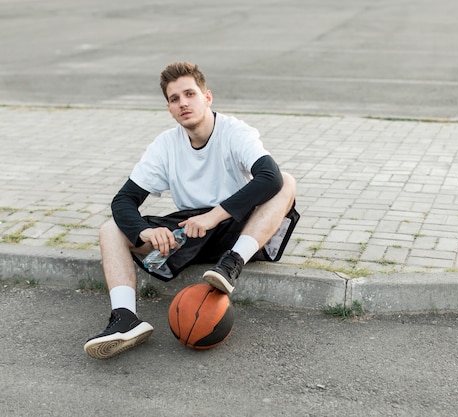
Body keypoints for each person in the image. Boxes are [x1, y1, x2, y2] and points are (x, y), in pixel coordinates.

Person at [84, 61, 299, 359]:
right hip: (189, 234)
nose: (183, 103)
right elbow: (123, 200)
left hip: (236, 228)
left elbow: (269, 177)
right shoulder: (165, 145)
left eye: (190, 94)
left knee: (286, 181)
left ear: (207, 97)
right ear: (169, 108)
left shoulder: (235, 131)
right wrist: (145, 231)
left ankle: (231, 265)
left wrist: (214, 216)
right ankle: (125, 318)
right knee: (111, 228)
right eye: (175, 99)